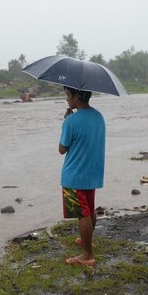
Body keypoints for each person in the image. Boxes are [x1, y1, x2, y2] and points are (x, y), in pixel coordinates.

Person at [59, 86, 106, 267]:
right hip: (92, 172)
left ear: (77, 96)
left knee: (82, 214)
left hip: (74, 174)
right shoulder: (98, 116)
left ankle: (88, 255)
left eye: (68, 95)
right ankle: (87, 241)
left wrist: (66, 122)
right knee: (89, 209)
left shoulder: (71, 121)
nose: (66, 99)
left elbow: (62, 149)